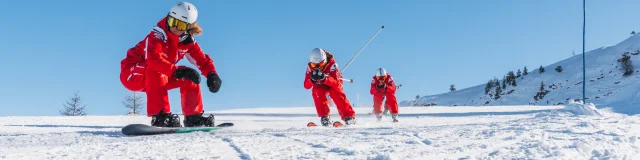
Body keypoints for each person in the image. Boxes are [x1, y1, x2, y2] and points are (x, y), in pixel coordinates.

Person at [119, 2, 222, 127]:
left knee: (189, 75)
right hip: (132, 73)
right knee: (157, 68)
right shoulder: (158, 34)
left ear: (188, 27)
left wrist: (212, 74)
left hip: (159, 79)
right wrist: (176, 71)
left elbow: (202, 61)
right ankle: (160, 116)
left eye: (180, 25)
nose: (175, 27)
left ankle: (193, 117)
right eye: (173, 22)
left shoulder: (187, 42)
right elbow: (153, 58)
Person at [304, 48, 356, 126]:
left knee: (336, 93)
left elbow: (337, 84)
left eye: (321, 64)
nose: (318, 67)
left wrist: (325, 78)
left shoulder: (332, 65)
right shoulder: (309, 68)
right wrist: (311, 80)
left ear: (325, 60)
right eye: (314, 65)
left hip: (333, 84)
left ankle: (349, 117)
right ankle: (325, 117)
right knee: (317, 92)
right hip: (320, 86)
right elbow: (306, 86)